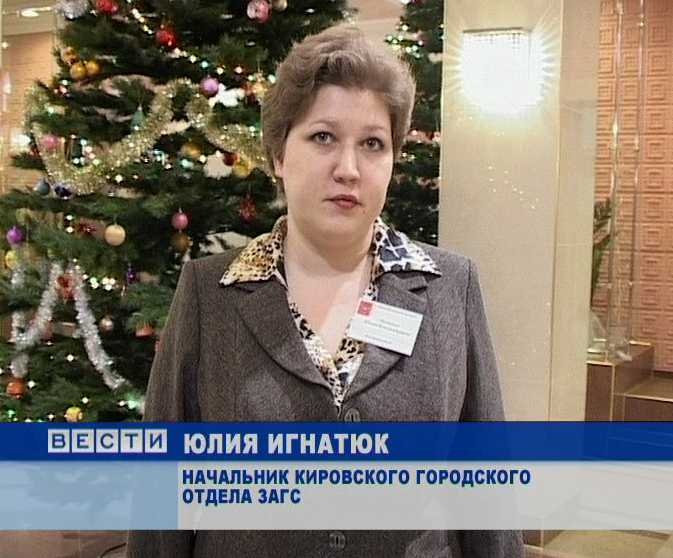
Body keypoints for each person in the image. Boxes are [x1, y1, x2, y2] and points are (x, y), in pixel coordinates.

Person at [126, 25, 524, 558]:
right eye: (323, 137)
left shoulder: (451, 288)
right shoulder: (210, 293)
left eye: (372, 144)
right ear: (278, 155)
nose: (348, 169)